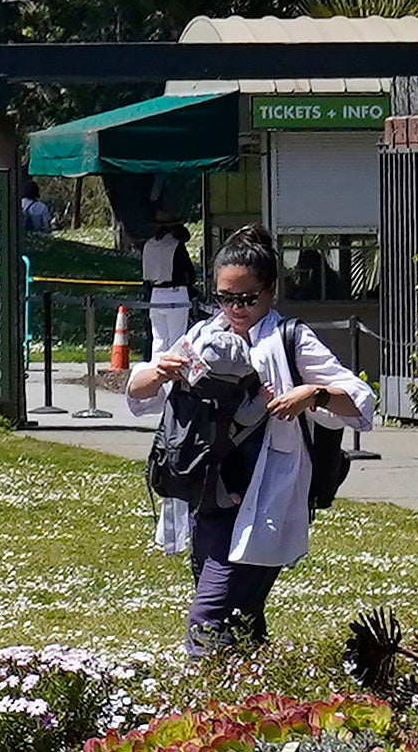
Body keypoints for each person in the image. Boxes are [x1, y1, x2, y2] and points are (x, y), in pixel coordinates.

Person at [124, 227, 363, 658]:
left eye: (246, 299)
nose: (235, 309)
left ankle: (204, 710)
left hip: (265, 498)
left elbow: (361, 403)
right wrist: (161, 370)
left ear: (270, 291)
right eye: (224, 298)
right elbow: (139, 392)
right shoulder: (202, 336)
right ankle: (261, 709)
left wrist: (314, 394)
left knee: (209, 618)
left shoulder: (289, 340)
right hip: (207, 498)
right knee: (242, 620)